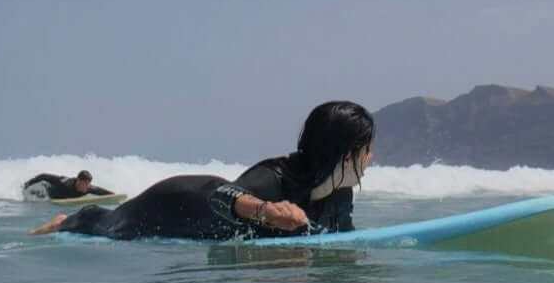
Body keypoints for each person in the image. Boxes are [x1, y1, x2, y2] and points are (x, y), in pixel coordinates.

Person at [27, 101, 374, 240]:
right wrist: (269, 212)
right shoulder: (278, 176)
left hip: (199, 224)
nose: (371, 158)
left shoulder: (339, 194)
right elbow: (221, 193)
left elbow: (341, 238)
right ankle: (73, 219)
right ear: (344, 154)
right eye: (366, 150)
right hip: (178, 202)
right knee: (111, 226)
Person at [22, 170, 115, 201]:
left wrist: (112, 195)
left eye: (88, 184)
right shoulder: (64, 183)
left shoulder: (88, 188)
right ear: (78, 181)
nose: (87, 187)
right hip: (49, 192)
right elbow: (44, 176)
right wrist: (28, 184)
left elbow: (100, 191)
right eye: (85, 184)